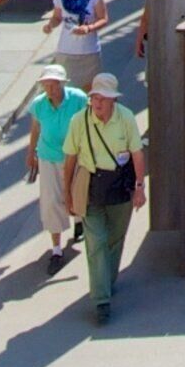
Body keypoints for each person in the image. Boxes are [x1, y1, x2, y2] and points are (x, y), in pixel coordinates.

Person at [68, 72, 141, 325]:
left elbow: (137, 153)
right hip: (90, 185)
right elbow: (70, 157)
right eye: (95, 98)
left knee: (115, 238)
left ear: (114, 101)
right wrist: (68, 192)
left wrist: (140, 187)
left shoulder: (126, 118)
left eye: (103, 99)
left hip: (119, 184)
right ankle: (101, 301)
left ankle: (106, 281)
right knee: (96, 241)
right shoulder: (79, 121)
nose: (98, 103)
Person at [22, 60, 83, 265]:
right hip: (48, 156)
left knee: (77, 194)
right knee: (50, 202)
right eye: (46, 84)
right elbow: (35, 129)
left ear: (62, 84)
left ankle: (79, 221)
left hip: (74, 156)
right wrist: (31, 153)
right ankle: (56, 249)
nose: (50, 89)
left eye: (54, 84)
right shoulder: (39, 104)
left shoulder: (78, 99)